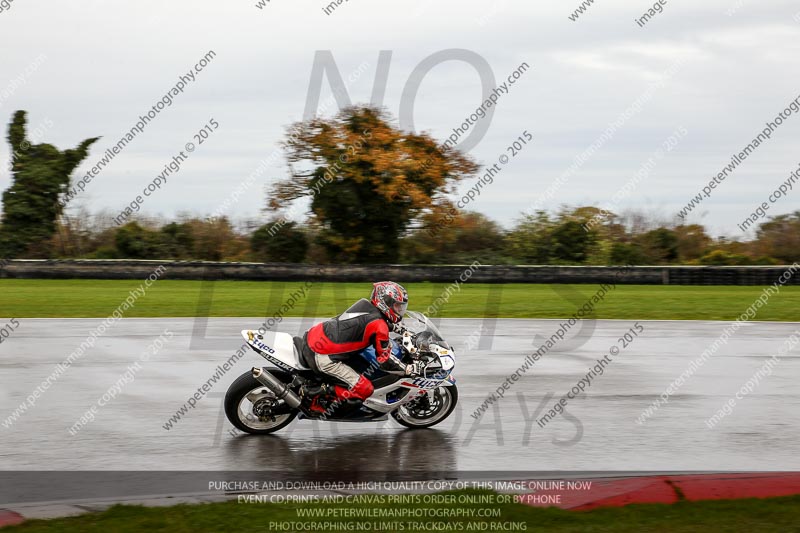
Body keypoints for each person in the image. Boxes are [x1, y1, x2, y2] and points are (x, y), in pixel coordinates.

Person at [301, 281, 422, 413]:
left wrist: (397, 328)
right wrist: (407, 369)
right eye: (397, 306)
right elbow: (384, 360)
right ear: (385, 302)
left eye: (401, 307)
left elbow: (369, 321)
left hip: (313, 336)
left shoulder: (364, 305)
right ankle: (315, 392)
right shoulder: (379, 326)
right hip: (322, 355)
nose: (399, 310)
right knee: (365, 389)